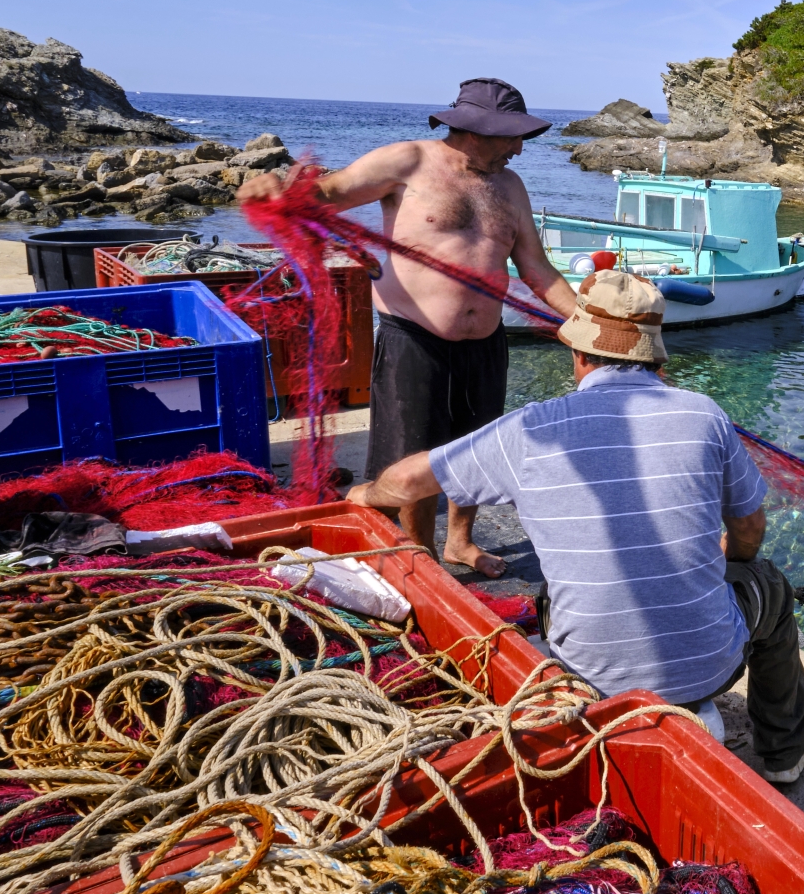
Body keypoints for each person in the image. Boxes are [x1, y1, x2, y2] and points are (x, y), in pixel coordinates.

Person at [345, 270, 804, 784]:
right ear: (654, 355)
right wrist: (731, 561)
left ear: (580, 354)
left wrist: (365, 494)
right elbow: (749, 526)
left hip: (589, 674)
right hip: (709, 668)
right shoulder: (704, 415)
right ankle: (786, 752)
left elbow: (410, 481)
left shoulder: (531, 427)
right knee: (769, 585)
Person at [238, 78, 577, 576]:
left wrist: (587, 320)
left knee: (477, 451)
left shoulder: (511, 187)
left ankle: (460, 541)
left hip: (485, 342)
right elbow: (326, 194)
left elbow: (536, 267)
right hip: (413, 340)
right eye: (510, 136)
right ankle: (421, 555)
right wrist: (274, 190)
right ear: (474, 128)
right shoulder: (407, 161)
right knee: (415, 456)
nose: (519, 148)